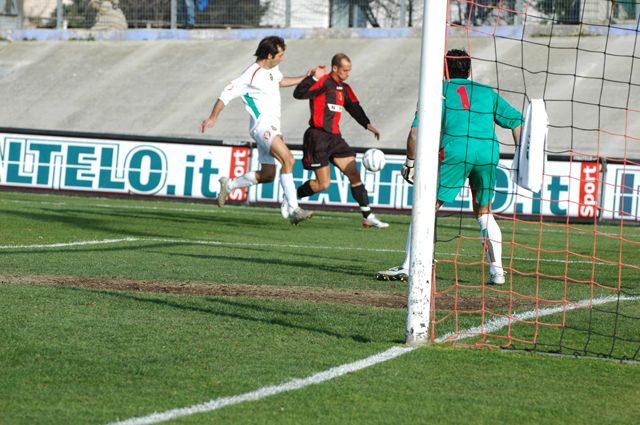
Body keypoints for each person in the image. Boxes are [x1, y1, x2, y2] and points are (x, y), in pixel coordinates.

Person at [376, 49, 523, 285]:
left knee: (426, 206)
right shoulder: (487, 92)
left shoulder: (438, 92)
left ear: (444, 69)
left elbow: (415, 132)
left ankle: (408, 266)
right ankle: (497, 273)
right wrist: (520, 159)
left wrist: (410, 162)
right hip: (488, 152)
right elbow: (517, 121)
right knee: (484, 212)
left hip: (455, 150)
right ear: (469, 69)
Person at [200, 36, 318, 225]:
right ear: (269, 55)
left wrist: (306, 78)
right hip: (262, 126)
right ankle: (294, 209)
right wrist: (212, 118)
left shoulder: (272, 69)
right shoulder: (250, 75)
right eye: (280, 55)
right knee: (288, 159)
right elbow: (224, 96)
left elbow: (279, 81)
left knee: (268, 174)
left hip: (272, 127)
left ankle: (229, 185)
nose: (282, 58)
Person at [291, 53, 389, 228]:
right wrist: (312, 77)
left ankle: (368, 216)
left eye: (349, 70)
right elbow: (298, 94)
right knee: (323, 184)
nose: (347, 73)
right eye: (344, 70)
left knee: (354, 174)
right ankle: (291, 198)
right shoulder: (323, 83)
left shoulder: (344, 88)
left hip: (335, 139)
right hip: (318, 137)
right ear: (335, 68)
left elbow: (354, 107)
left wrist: (367, 124)